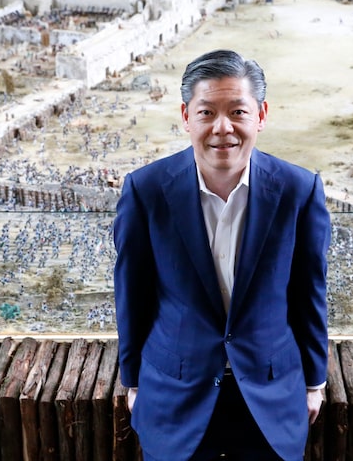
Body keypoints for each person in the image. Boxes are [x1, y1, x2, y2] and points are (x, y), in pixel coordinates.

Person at [113, 49, 332, 461]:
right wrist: (134, 383)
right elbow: (132, 293)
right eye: (207, 112)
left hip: (271, 395)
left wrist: (314, 382)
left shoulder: (298, 190)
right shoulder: (146, 190)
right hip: (174, 394)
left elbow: (310, 292)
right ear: (185, 116)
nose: (222, 128)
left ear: (262, 115)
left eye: (237, 112)